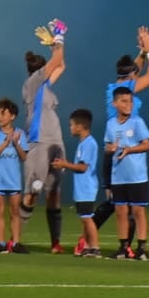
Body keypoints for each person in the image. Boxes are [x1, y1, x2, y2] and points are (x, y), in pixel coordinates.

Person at [95, 27, 149, 230]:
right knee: (123, 204)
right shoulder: (126, 90)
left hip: (117, 151)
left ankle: (96, 240)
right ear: (131, 76)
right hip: (120, 152)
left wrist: (140, 54)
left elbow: (134, 72)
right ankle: (89, 236)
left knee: (121, 204)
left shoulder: (116, 89)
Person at [21, 19, 67, 253]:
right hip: (39, 141)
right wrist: (58, 37)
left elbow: (61, 65)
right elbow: (57, 62)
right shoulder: (32, 83)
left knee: (54, 192)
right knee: (33, 191)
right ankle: (16, 239)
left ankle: (55, 243)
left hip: (55, 141)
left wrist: (54, 45)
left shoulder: (45, 85)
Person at [103, 86, 149, 259]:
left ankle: (142, 248)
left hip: (137, 175)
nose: (128, 104)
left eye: (130, 101)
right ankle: (123, 247)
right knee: (121, 212)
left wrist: (129, 150)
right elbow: (107, 147)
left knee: (138, 211)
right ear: (115, 103)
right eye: (124, 101)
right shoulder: (110, 124)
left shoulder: (137, 122)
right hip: (118, 176)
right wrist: (111, 148)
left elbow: (147, 145)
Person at [52, 108, 99, 257]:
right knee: (84, 219)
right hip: (82, 188)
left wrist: (65, 164)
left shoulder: (89, 144)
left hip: (87, 188)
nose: (70, 128)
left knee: (87, 218)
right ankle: (86, 246)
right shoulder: (83, 143)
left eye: (71, 125)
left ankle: (95, 247)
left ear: (80, 126)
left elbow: (83, 167)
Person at [0, 98, 27, 254]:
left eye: (3, 113)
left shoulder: (20, 133)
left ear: (12, 116)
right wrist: (5, 142)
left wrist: (15, 143)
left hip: (13, 179)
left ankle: (16, 243)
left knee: (15, 212)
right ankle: (1, 242)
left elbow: (24, 157)